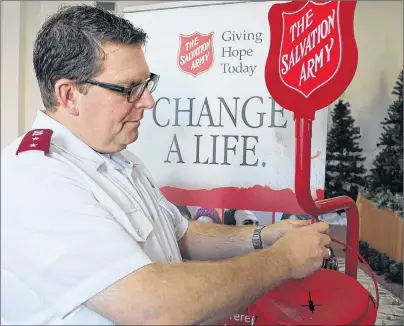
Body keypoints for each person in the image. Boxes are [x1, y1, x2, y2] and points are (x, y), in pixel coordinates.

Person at [1, 5, 332, 325]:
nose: (148, 101)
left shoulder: (118, 157)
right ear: (69, 95)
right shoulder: (35, 179)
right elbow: (152, 311)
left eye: (146, 84)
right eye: (129, 88)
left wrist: (261, 237)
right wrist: (284, 259)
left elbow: (180, 233)